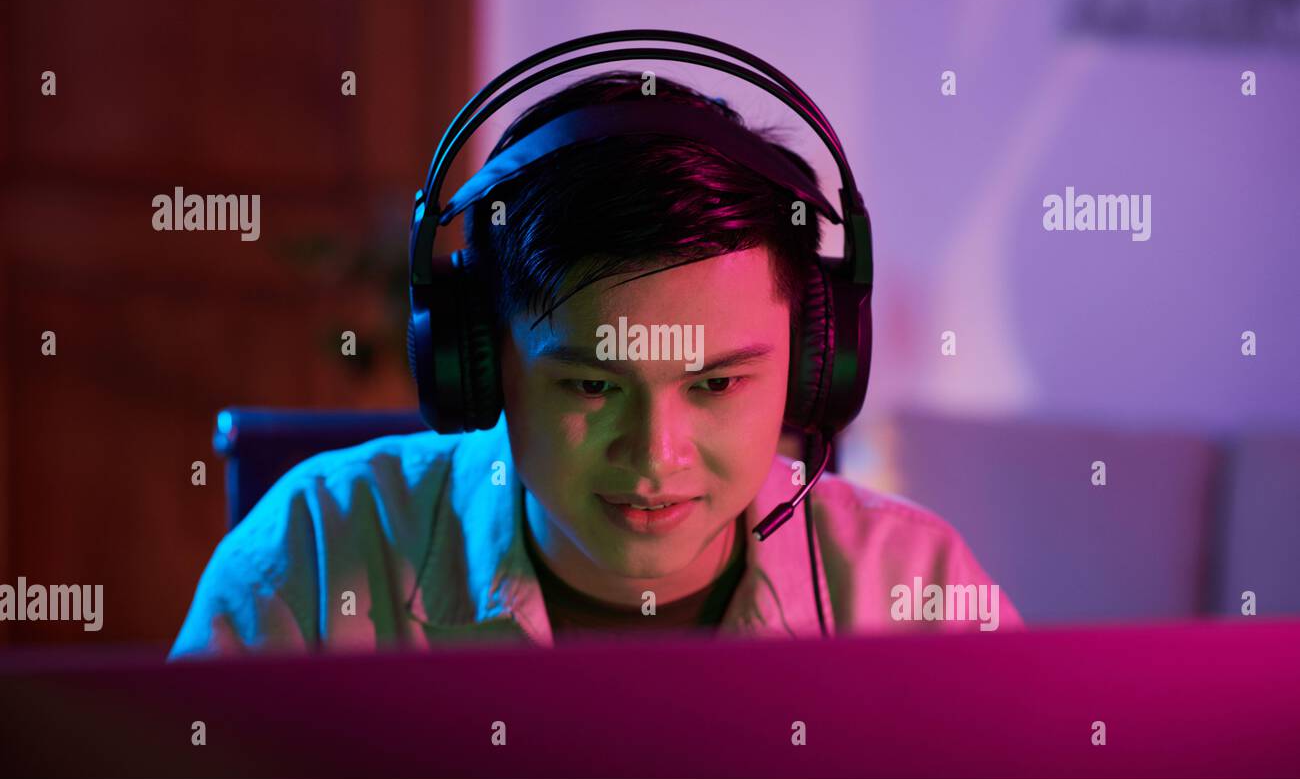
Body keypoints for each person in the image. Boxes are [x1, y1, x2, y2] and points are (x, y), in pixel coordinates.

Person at [169, 71, 1020, 658]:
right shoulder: (315, 555)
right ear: (481, 364)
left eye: (717, 383)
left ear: (813, 365)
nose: (657, 455)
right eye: (591, 384)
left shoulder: (915, 587)